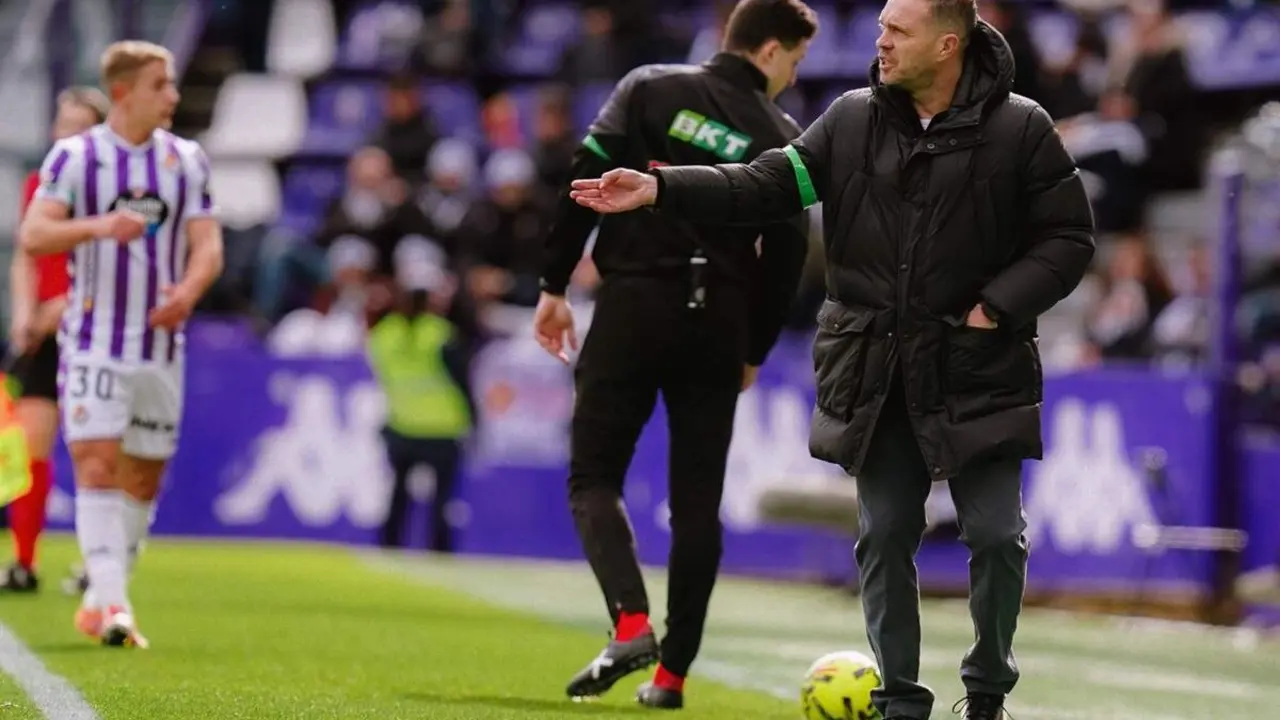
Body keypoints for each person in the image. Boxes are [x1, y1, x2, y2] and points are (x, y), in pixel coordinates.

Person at [569, 0, 1097, 717]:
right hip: (877, 373)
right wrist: (663, 187)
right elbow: (764, 184)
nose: (878, 40)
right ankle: (901, 700)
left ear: (948, 44)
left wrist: (996, 307)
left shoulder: (1021, 129)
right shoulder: (850, 121)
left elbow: (1067, 238)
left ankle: (986, 693)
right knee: (882, 538)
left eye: (896, 30)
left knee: (999, 536)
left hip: (979, 366)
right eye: (880, 25)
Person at [534, 0, 818, 708]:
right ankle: (671, 679)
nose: (792, 76)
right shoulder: (780, 134)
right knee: (697, 506)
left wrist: (552, 284)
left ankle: (631, 623)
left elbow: (585, 177)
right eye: (796, 60)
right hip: (717, 320)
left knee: (594, 477)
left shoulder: (649, 87)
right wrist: (753, 345)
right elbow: (786, 256)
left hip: (633, 304)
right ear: (772, 52)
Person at [19, 40, 224, 648]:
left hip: (160, 346)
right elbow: (33, 234)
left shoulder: (187, 160)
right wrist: (99, 226)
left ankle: (103, 591)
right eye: (162, 85)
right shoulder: (76, 158)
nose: (174, 96)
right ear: (124, 91)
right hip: (93, 342)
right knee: (97, 464)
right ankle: (112, 604)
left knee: (143, 481)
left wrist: (187, 291)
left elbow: (207, 244)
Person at [2, 87, 110, 593]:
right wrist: (25, 313)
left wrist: (65, 306)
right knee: (31, 443)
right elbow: (26, 255)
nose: (67, 135)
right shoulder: (39, 187)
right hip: (44, 334)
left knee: (95, 452)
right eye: (63, 124)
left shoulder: (108, 193)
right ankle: (24, 562)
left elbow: (114, 267)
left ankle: (101, 566)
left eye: (80, 127)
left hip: (94, 330)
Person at [366, 238, 473, 552]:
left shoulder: (384, 333)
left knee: (397, 495)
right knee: (441, 501)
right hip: (443, 428)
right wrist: (475, 420)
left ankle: (388, 549)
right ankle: (440, 553)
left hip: (401, 424)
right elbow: (463, 381)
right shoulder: (442, 334)